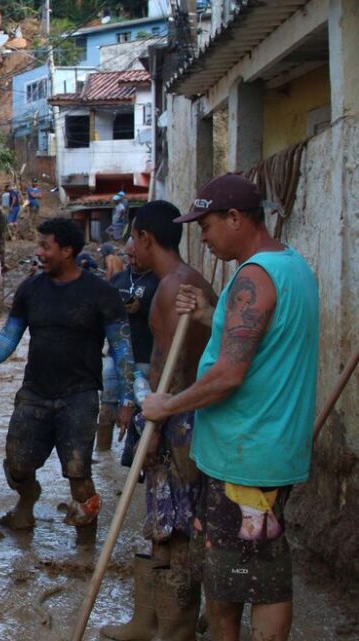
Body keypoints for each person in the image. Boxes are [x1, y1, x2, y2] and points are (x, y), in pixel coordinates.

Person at [143, 175, 318, 641]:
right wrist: (209, 312)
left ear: (236, 219)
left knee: (259, 582)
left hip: (246, 455)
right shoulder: (292, 266)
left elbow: (228, 374)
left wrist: (167, 405)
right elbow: (259, 340)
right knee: (238, 574)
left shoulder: (253, 276)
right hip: (264, 449)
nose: (201, 236)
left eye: (206, 225)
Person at [0, 218, 136, 543]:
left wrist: (126, 400)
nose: (38, 253)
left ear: (67, 251)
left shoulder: (101, 293)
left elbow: (122, 350)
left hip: (79, 397)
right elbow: (9, 336)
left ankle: (85, 547)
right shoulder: (31, 289)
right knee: (17, 465)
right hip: (34, 393)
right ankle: (27, 500)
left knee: (79, 475)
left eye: (45, 247)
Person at [100, 201, 215, 641]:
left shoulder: (173, 287)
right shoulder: (189, 282)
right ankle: (152, 619)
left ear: (146, 237)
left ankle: (174, 626)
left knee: (176, 522)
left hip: (178, 421)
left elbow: (173, 366)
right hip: (189, 416)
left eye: (131, 238)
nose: (129, 247)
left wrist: (154, 434)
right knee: (170, 522)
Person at [97, 244, 159, 452]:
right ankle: (102, 458)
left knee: (143, 412)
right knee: (106, 408)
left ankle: (138, 457)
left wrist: (143, 310)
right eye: (129, 256)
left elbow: (165, 318)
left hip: (145, 357)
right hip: (114, 357)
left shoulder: (159, 281)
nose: (132, 260)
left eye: (136, 255)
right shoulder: (118, 279)